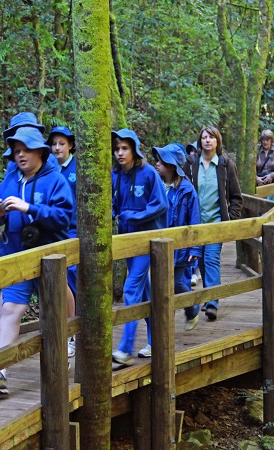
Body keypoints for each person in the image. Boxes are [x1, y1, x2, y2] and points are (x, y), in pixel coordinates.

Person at [0, 127, 74, 395]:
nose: (20, 155)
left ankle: (66, 346)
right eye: (16, 151)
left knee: (56, 306)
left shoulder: (55, 181)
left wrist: (30, 208)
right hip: (17, 256)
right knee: (10, 310)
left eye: (25, 150)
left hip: (49, 257)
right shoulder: (10, 180)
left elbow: (64, 218)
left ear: (39, 151)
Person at [110, 129, 168, 366]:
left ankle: (125, 349)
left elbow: (161, 204)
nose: (120, 153)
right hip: (126, 241)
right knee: (145, 292)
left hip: (147, 241)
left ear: (134, 149)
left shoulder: (148, 173)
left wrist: (136, 216)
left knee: (131, 288)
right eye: (117, 149)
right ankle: (156, 341)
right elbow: (114, 204)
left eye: (124, 148)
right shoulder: (116, 175)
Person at [183, 126, 242, 322]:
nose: (207, 140)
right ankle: (209, 296)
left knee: (211, 259)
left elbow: (236, 196)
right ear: (199, 141)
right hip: (196, 222)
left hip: (216, 221)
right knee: (200, 261)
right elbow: (183, 190)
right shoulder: (191, 164)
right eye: (204, 137)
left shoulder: (225, 165)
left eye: (211, 138)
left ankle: (212, 303)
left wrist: (230, 219)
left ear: (218, 142)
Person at [153, 143, 201, 331]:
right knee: (162, 284)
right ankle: (166, 323)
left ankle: (192, 310)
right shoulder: (157, 185)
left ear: (172, 166)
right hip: (160, 244)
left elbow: (194, 220)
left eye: (161, 161)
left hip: (180, 246)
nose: (157, 164)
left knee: (178, 282)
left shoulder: (187, 190)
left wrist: (195, 248)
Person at [47, 125, 78, 358]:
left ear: (70, 146)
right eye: (54, 144)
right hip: (53, 231)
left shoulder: (77, 168)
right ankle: (62, 328)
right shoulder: (47, 170)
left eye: (62, 143)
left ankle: (73, 332)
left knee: (72, 279)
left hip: (75, 230)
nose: (57, 148)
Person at [185, 141, 202, 287]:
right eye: (189, 151)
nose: (192, 154)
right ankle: (192, 272)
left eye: (194, 151)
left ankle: (196, 271)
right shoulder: (185, 169)